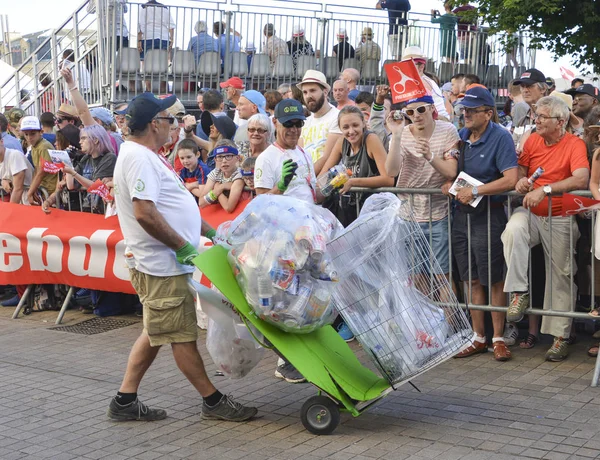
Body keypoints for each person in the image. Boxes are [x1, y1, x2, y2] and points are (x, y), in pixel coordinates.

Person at [108, 92, 257, 422]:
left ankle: (124, 400)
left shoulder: (147, 154)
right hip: (160, 264)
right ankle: (213, 400)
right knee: (181, 336)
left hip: (163, 263)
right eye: (169, 119)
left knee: (158, 331)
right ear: (153, 124)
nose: (173, 126)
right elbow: (145, 213)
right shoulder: (138, 158)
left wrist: (208, 231)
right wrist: (182, 246)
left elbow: (175, 207)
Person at [502, 96, 589, 362]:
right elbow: (521, 168)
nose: (536, 120)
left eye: (542, 117)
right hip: (531, 212)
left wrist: (545, 189)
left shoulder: (574, 143)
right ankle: (519, 293)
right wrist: (521, 181)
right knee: (513, 230)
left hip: (560, 214)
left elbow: (581, 177)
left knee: (561, 275)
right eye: (535, 116)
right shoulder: (532, 140)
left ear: (560, 122)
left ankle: (560, 337)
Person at [441, 87, 518, 361]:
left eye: (472, 110)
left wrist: (476, 191)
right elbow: (451, 170)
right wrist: (449, 182)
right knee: (469, 277)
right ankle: (478, 337)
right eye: (464, 110)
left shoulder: (501, 137)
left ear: (488, 113)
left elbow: (511, 179)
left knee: (493, 279)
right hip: (462, 215)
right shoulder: (460, 136)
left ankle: (498, 338)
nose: (466, 114)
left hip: (490, 215)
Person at [386, 94, 459, 281]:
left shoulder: (448, 130)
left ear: (432, 109)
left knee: (443, 278)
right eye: (410, 111)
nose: (416, 115)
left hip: (438, 214)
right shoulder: (401, 134)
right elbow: (391, 171)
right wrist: (396, 134)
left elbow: (451, 171)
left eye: (421, 109)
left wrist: (430, 155)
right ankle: (425, 312)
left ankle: (447, 312)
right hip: (408, 215)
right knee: (417, 279)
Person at [321, 105, 393, 226]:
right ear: (340, 128)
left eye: (355, 125)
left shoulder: (371, 139)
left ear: (363, 124)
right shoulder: (341, 142)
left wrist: (353, 182)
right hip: (349, 209)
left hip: (372, 213)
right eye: (345, 127)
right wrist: (334, 177)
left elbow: (388, 179)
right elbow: (323, 175)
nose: (351, 131)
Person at [43, 124, 117, 214]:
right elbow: (71, 186)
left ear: (96, 140)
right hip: (87, 208)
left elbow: (96, 187)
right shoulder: (86, 158)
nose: (80, 142)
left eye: (84, 138)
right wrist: (68, 162)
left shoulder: (109, 158)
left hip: (102, 209)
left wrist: (73, 173)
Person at [297, 70, 343, 176]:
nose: (308, 96)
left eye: (312, 90)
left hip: (327, 182)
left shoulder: (337, 117)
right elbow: (300, 155)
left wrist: (310, 181)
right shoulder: (306, 121)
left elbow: (328, 157)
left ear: (325, 92)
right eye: (305, 92)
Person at [401, 46, 450, 120]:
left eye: (410, 65)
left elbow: (418, 109)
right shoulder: (422, 80)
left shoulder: (423, 82)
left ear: (421, 67)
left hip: (438, 121)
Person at [21, 116, 57, 205]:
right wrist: (33, 188)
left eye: (32, 134)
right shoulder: (34, 146)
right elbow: (36, 170)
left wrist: (30, 192)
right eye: (26, 134)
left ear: (41, 132)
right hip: (43, 189)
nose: (29, 137)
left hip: (50, 190)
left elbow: (41, 171)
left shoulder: (44, 146)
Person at [199, 143, 245, 213]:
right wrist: (220, 188)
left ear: (237, 158)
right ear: (215, 160)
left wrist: (217, 187)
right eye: (220, 157)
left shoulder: (239, 175)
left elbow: (228, 208)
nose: (224, 161)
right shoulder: (215, 173)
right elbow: (201, 203)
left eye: (228, 156)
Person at [233, 90, 267, 158]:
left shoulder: (242, 130)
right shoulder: (271, 125)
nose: (237, 108)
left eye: (241, 104)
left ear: (253, 108)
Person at [0, 136, 32, 204]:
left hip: (31, 200)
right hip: (21, 202)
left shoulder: (15, 155)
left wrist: (11, 211)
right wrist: (3, 181)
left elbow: (18, 189)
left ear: (1, 141)